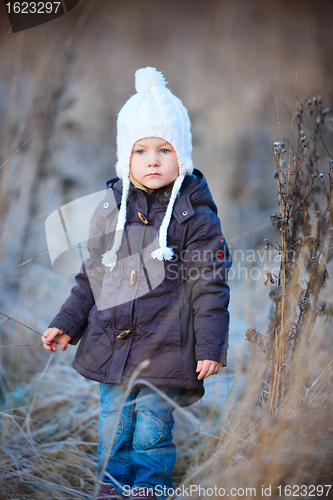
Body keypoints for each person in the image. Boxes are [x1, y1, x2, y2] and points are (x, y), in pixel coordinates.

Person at [42, 67, 232, 500]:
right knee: (113, 427)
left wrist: (209, 348)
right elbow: (90, 276)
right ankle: (111, 491)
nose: (152, 160)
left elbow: (210, 287)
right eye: (140, 150)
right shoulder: (111, 209)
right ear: (124, 157)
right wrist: (66, 323)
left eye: (164, 149)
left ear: (181, 153)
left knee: (150, 434)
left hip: (165, 351)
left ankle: (149, 492)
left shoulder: (196, 218)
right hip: (112, 347)